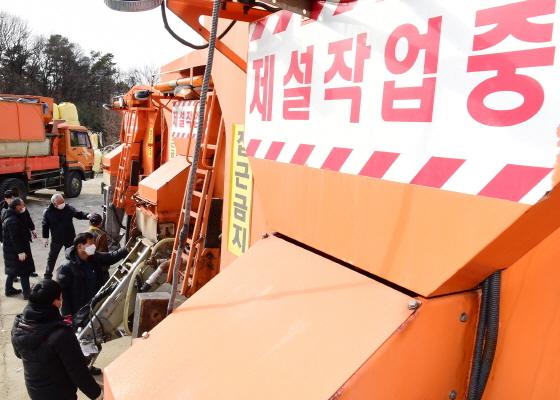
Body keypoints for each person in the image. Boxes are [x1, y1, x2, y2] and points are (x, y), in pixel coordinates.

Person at [11, 280, 103, 400]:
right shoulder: (61, 333)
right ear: (56, 302)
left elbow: (19, 354)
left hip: (34, 390)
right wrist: (97, 394)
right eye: (61, 296)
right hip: (60, 393)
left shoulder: (18, 323)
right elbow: (78, 371)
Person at [56, 232, 129, 318]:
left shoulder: (94, 258)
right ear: (80, 246)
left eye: (93, 243)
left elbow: (110, 257)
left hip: (95, 305)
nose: (93, 246)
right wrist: (67, 314)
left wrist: (125, 250)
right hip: (79, 310)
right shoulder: (66, 268)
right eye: (90, 243)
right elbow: (63, 293)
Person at [42, 194, 91, 279]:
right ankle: (47, 275)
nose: (63, 204)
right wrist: (45, 238)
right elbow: (45, 225)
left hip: (70, 237)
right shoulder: (47, 212)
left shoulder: (69, 208)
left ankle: (74, 273)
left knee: (72, 256)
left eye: (63, 201)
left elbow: (78, 214)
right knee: (52, 257)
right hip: (56, 239)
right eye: (60, 203)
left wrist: (87, 215)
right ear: (54, 204)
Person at [2, 198, 35, 299]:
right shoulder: (13, 220)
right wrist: (20, 252)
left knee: (12, 270)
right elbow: (14, 238)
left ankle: (8, 289)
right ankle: (26, 294)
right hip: (16, 250)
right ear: (17, 207)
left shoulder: (14, 216)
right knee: (24, 271)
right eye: (22, 205)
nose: (24, 206)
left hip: (12, 250)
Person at [1, 190, 38, 279]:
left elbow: (28, 218)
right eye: (11, 198)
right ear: (5, 199)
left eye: (14, 198)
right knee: (13, 258)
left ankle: (28, 271)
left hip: (23, 235)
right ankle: (13, 276)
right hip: (10, 238)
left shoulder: (21, 207)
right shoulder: (3, 210)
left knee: (26, 255)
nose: (13, 200)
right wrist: (1, 240)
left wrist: (32, 229)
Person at [85, 213, 110, 284]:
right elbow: (102, 252)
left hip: (88, 264)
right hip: (100, 267)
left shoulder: (84, 234)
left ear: (89, 223)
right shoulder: (102, 235)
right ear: (101, 223)